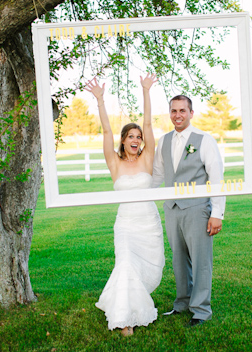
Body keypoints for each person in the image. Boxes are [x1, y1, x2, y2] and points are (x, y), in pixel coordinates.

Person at [85, 74, 165, 337]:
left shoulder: (147, 159)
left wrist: (146, 91)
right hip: (126, 225)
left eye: (138, 137)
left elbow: (149, 124)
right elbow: (106, 130)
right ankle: (124, 320)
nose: (136, 139)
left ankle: (130, 305)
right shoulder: (115, 164)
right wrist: (99, 100)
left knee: (142, 270)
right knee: (126, 263)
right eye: (130, 136)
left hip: (148, 224)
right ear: (123, 140)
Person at [151, 95, 225, 328]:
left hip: (197, 209)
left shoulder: (204, 140)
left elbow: (217, 178)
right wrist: (140, 199)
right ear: (170, 113)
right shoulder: (163, 141)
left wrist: (217, 213)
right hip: (172, 209)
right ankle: (182, 303)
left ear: (191, 113)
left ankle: (201, 310)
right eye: (174, 111)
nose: (178, 115)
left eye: (182, 110)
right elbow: (158, 177)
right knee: (179, 259)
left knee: (201, 260)